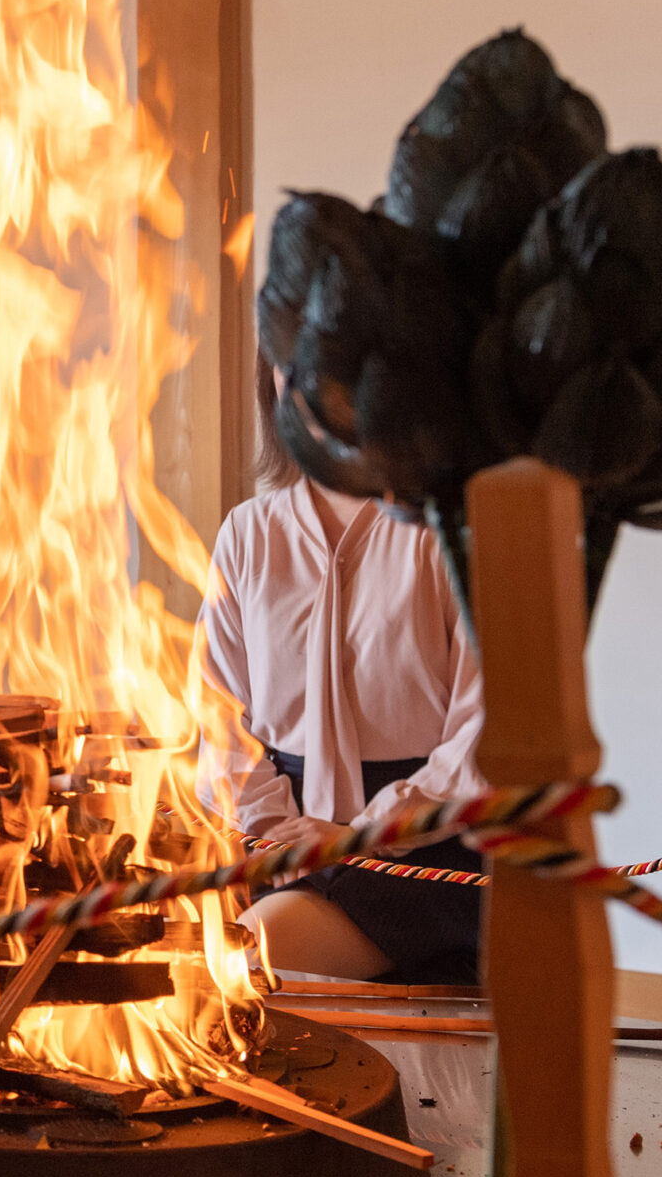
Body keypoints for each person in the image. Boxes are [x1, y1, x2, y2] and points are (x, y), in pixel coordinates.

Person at [200, 366, 488, 985]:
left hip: (428, 847)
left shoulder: (447, 530)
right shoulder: (248, 533)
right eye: (288, 358)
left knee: (241, 969)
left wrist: (364, 835)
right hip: (274, 836)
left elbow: (483, 731)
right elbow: (217, 714)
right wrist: (276, 832)